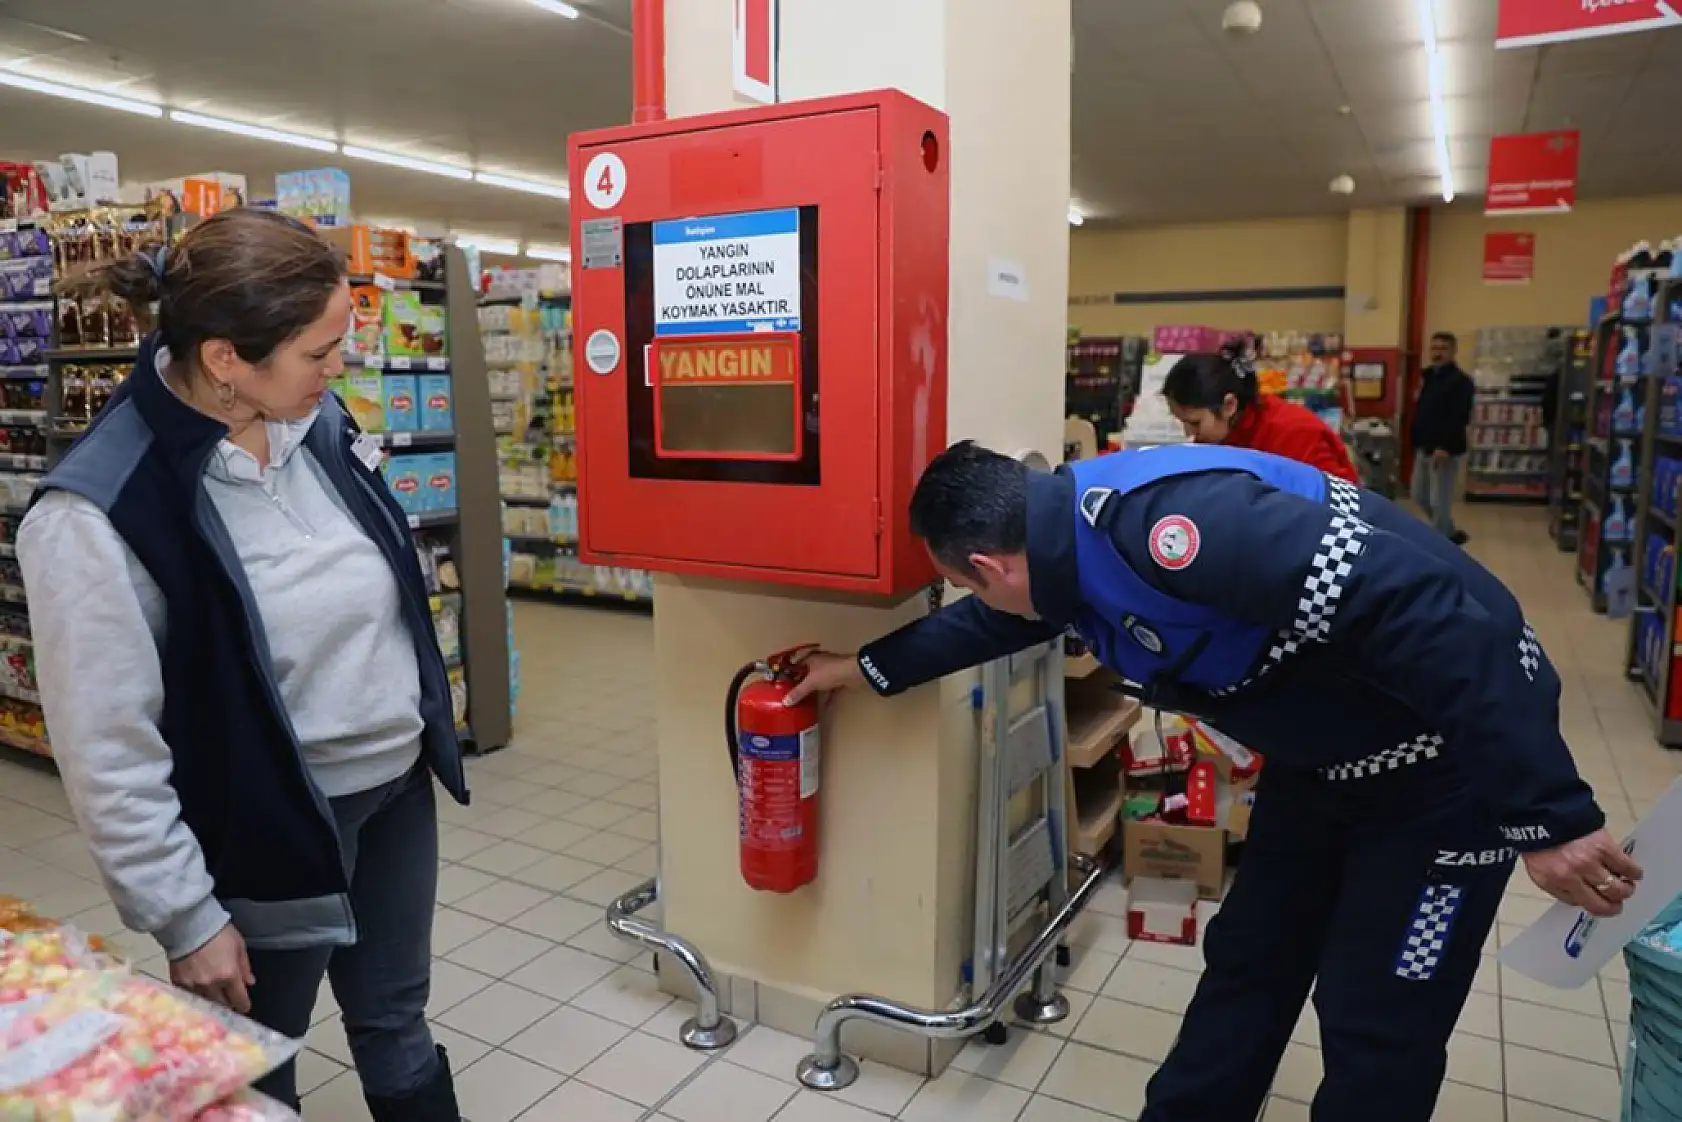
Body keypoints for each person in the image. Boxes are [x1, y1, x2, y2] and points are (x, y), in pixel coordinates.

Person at [785, 439, 1637, 1122]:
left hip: (1448, 773)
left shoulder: (1178, 525)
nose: (975, 602)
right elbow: (988, 625)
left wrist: (1548, 813)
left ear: (989, 564)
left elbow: (1431, 613)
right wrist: (858, 669)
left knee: (1379, 1016)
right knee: (1249, 962)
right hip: (1325, 768)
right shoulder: (1057, 547)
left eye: (963, 585)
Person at [18, 209, 469, 1120]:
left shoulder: (317, 420)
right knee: (254, 1066)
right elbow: (108, 750)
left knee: (397, 1022)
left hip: (393, 792)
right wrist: (186, 916)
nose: (339, 366)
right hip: (263, 833)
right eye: (319, 351)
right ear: (227, 358)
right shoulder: (98, 512)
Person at [1163, 342, 1359, 483]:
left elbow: (1335, 508)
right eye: (1182, 422)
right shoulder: (1223, 435)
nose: (1189, 434)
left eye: (1195, 423)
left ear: (1229, 406)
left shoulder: (1295, 434)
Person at [1411, 331, 1475, 545]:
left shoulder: (1461, 382)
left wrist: (1445, 446)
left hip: (1444, 450)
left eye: (1443, 348)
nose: (1438, 353)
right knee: (1419, 495)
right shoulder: (1427, 378)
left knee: (1439, 501)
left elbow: (1459, 417)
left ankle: (1440, 544)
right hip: (1423, 446)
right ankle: (1449, 532)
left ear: (1454, 351)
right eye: (1434, 348)